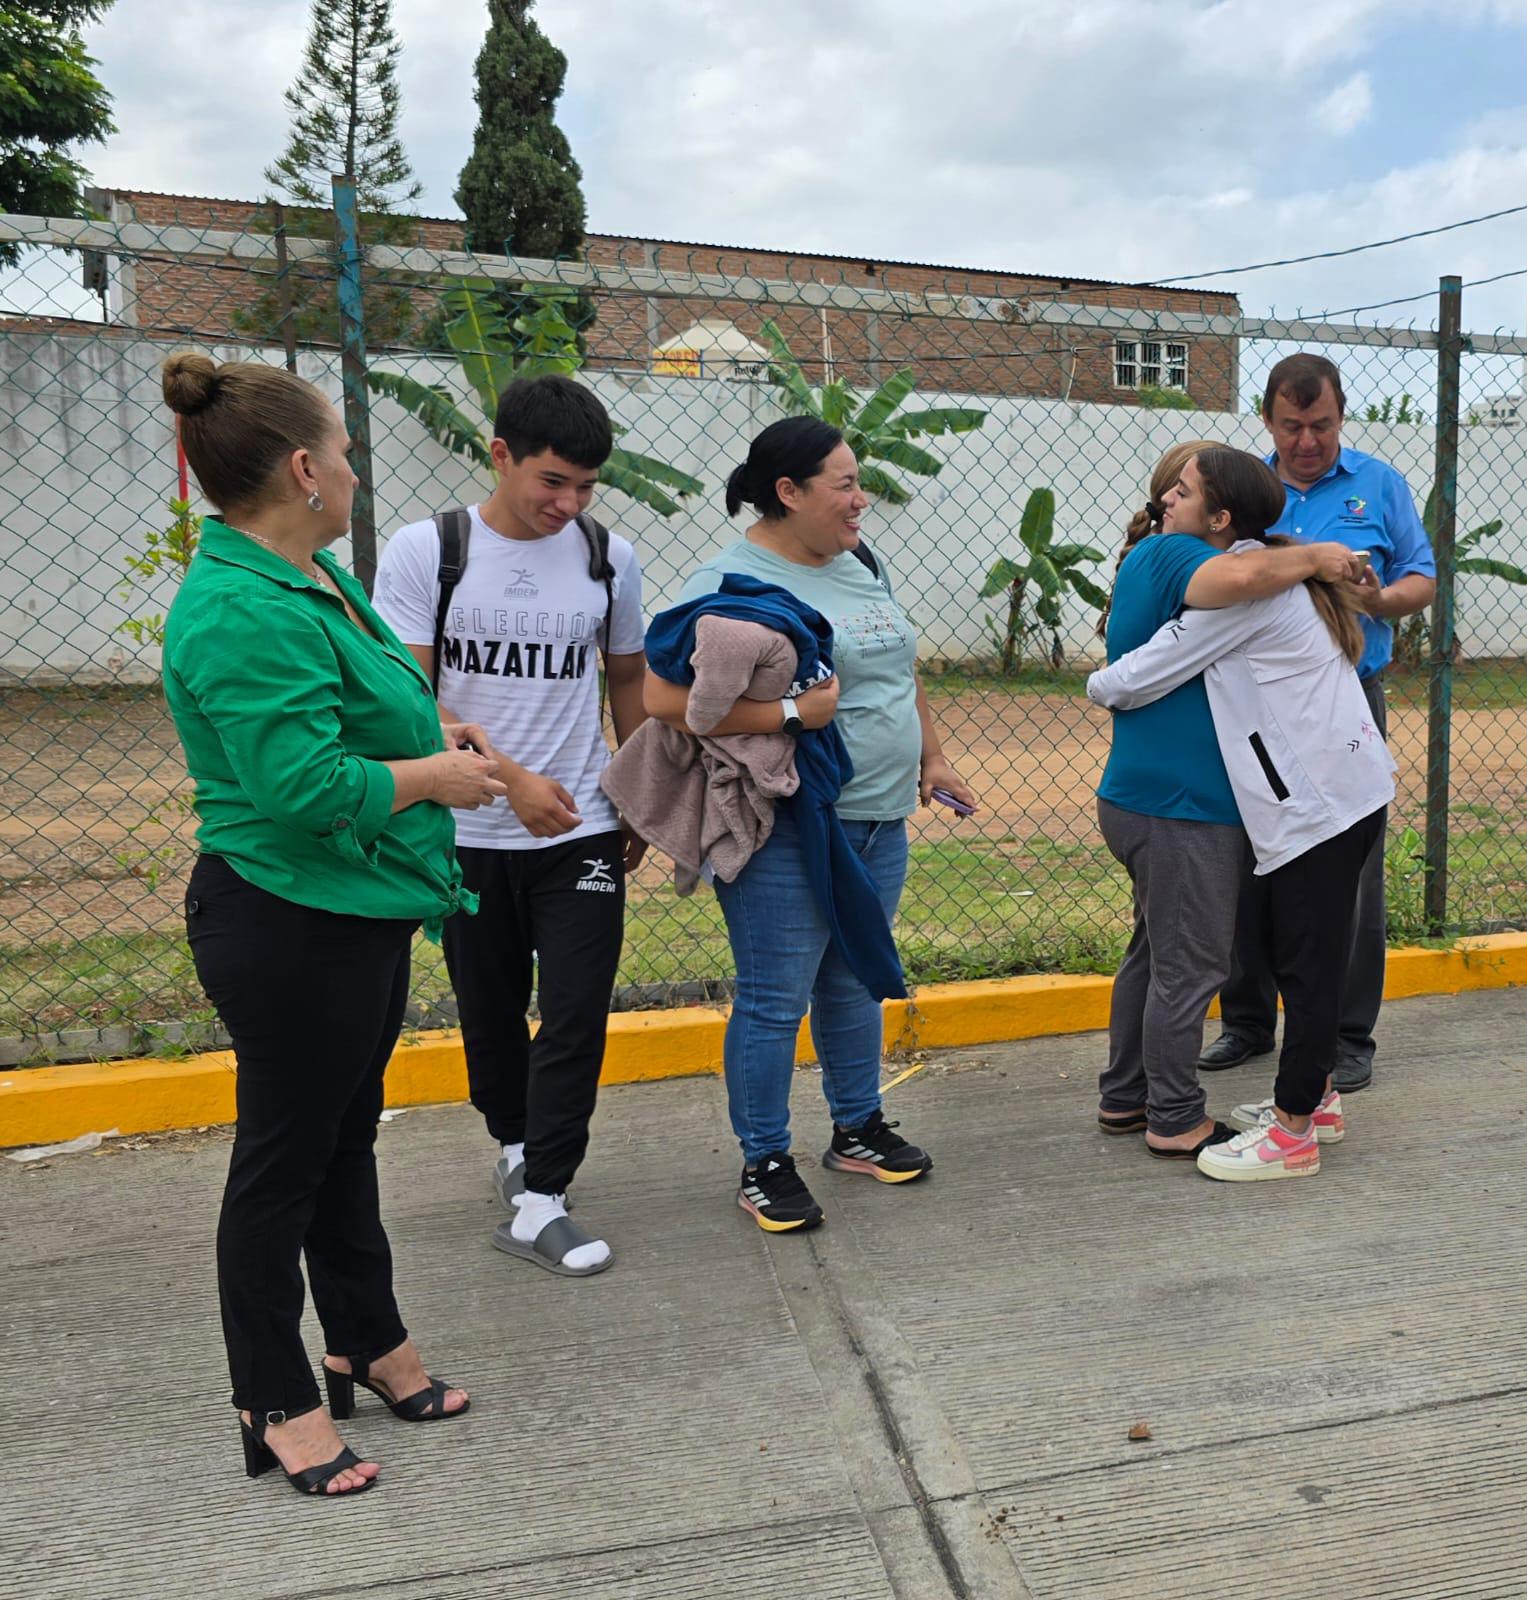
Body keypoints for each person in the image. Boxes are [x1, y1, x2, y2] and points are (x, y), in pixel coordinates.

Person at [162, 353, 491, 1498]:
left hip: (351, 913)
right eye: (344, 452)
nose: (355, 470)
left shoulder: (304, 576)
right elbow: (301, 785)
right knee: (283, 1165)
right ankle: (272, 1394)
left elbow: (363, 704)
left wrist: (425, 727)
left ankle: (364, 1338)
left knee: (345, 1142)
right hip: (287, 921)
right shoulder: (242, 604)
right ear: (304, 469)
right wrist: (434, 777)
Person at [641, 417, 976, 1233]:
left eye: (858, 481)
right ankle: (764, 1160)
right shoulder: (726, 580)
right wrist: (792, 710)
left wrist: (932, 757)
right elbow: (661, 701)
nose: (861, 500)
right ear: (787, 493)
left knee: (856, 977)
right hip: (787, 823)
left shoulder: (860, 562)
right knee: (772, 999)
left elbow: (899, 669)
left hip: (879, 818)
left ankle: (857, 1128)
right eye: (843, 484)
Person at [373, 375, 646, 1278]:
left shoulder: (608, 556)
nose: (567, 505)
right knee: (490, 1015)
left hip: (581, 830)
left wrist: (638, 789)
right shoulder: (428, 551)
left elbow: (626, 681)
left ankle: (543, 1198)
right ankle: (515, 1144)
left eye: (585, 488)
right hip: (468, 839)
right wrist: (512, 781)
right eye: (552, 483)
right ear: (500, 456)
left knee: (576, 1010)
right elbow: (408, 704)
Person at [1089, 446, 1395, 1180]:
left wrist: (1096, 681)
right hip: (1338, 792)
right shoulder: (1271, 569)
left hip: (1317, 806)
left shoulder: (1249, 588)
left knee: (1303, 962)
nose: (1165, 498)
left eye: (1183, 491)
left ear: (1222, 520)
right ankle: (1311, 1102)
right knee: (1287, 955)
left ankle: (1292, 1130)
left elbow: (1133, 678)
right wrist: (1325, 557)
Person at [1199, 354, 1436, 1093]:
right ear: (1267, 420)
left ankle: (1346, 1035)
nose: (1308, 441)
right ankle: (1246, 1020)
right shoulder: (1242, 490)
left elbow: (1423, 577)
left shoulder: (1379, 485)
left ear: (1341, 417)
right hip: (1252, 714)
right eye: (1293, 426)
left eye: (1323, 426)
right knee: (1247, 863)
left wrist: (1379, 602)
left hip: (1342, 708)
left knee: (1349, 881)